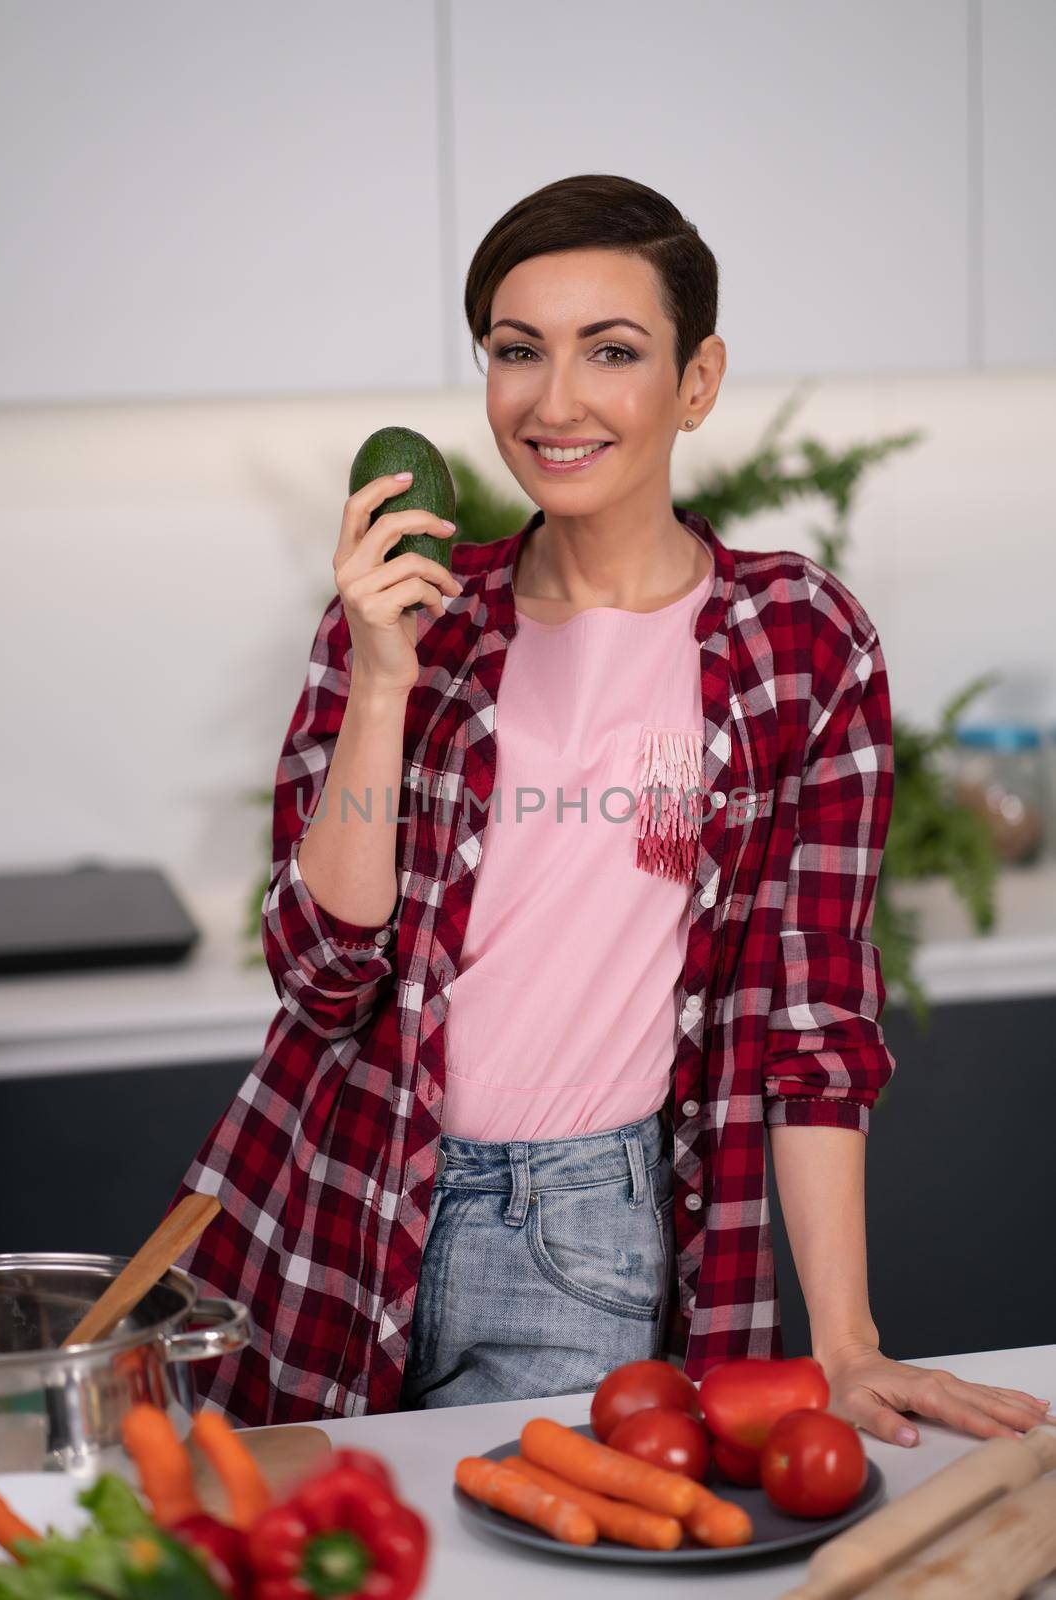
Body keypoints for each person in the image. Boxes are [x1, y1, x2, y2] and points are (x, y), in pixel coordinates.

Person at [166, 174, 1051, 1446]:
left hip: (586, 1232)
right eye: (516, 352)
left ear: (696, 382)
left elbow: (809, 1017)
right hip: (335, 1200)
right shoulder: (414, 618)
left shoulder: (796, 639)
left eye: (612, 351)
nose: (555, 399)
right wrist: (377, 675)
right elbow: (320, 979)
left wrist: (845, 1341)